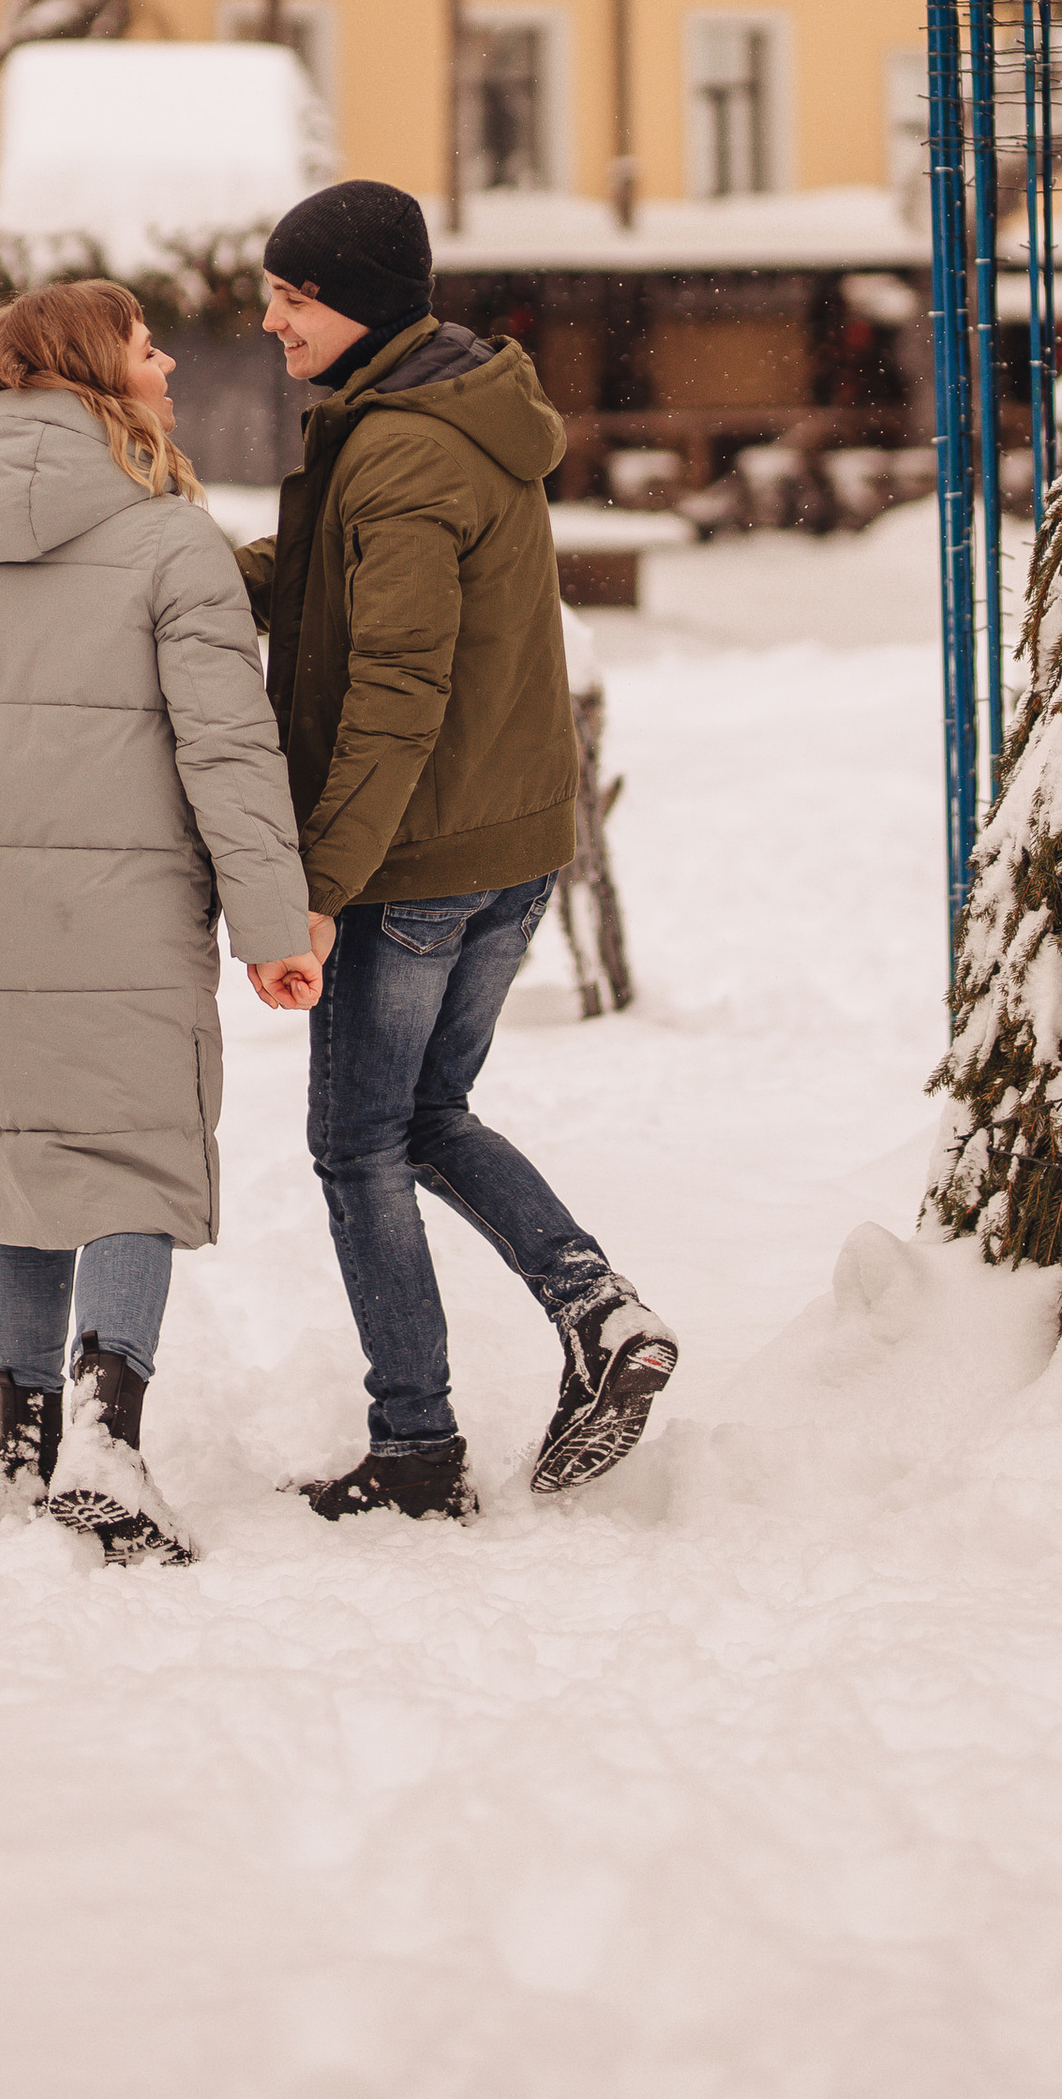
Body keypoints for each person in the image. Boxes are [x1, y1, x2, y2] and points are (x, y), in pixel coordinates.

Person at [237, 178, 679, 1523]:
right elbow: (348, 579)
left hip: (421, 866)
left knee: (358, 1144)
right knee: (427, 1119)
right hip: (511, 842)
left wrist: (318, 890)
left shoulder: (405, 448)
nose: (271, 322)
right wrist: (192, 572)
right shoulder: (444, 411)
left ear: (354, 300)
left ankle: (418, 1449)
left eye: (291, 297)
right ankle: (599, 1315)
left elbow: (396, 688)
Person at [0, 280, 322, 1566]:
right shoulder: (172, 543)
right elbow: (229, 753)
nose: (172, 365)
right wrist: (273, 925)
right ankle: (106, 1435)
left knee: (24, 1173)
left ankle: (24, 1453)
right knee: (134, 1159)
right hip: (121, 898)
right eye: (148, 349)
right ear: (100, 377)